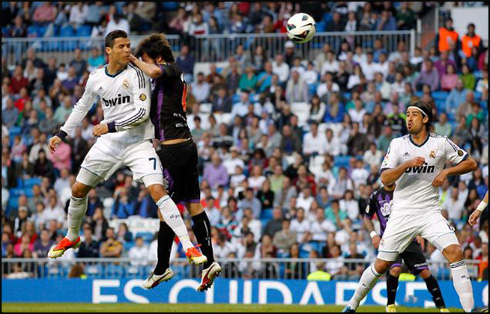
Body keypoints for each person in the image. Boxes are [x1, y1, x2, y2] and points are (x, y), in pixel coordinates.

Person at [47, 31, 205, 269]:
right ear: (108, 50)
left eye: (129, 45)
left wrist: (109, 125)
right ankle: (72, 236)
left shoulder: (138, 75)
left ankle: (188, 245)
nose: (127, 50)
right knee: (78, 189)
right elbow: (82, 105)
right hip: (109, 144)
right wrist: (62, 133)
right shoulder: (96, 77)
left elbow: (141, 113)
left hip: (138, 144)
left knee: (158, 191)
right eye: (122, 46)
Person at [343, 100, 479, 313]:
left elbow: (471, 163)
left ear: (425, 119)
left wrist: (446, 172)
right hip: (402, 213)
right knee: (381, 265)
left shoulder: (441, 143)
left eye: (414, 114)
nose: (409, 118)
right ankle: (352, 305)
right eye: (407, 114)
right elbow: (384, 177)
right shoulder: (398, 144)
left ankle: (470, 310)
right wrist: (406, 165)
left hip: (429, 212)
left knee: (455, 251)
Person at [131, 33, 221, 292]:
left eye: (147, 60)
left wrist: (134, 61)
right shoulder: (169, 78)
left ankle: (161, 267)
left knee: (164, 206)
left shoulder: (170, 70)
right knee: (193, 204)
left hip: (172, 151)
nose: (145, 65)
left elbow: (154, 72)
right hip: (187, 147)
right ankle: (209, 262)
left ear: (158, 59)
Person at [364, 184, 449, 312]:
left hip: (409, 237)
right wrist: (373, 235)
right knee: (395, 269)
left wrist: (420, 232)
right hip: (390, 240)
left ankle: (442, 307)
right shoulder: (376, 196)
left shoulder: (405, 191)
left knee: (425, 272)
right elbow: (367, 217)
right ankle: (390, 305)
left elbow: (417, 212)